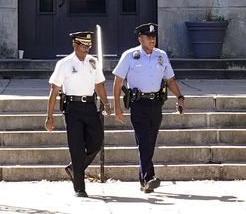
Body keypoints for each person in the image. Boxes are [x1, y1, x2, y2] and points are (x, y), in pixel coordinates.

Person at [110, 21, 186, 192]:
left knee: (149, 141)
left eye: (154, 37)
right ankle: (149, 177)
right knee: (144, 139)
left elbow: (170, 80)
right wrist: (117, 106)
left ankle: (143, 181)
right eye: (149, 37)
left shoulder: (161, 55)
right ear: (140, 38)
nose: (152, 40)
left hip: (156, 103)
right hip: (138, 103)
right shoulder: (130, 56)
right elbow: (118, 81)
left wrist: (180, 97)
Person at [44, 29, 107, 197]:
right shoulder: (64, 63)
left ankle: (74, 168)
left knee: (97, 142)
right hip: (72, 108)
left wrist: (107, 103)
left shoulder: (93, 62)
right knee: (77, 147)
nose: (87, 48)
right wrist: (49, 117)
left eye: (89, 45)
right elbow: (54, 90)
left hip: (90, 106)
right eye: (83, 45)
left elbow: (99, 84)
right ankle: (80, 187)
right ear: (75, 44)